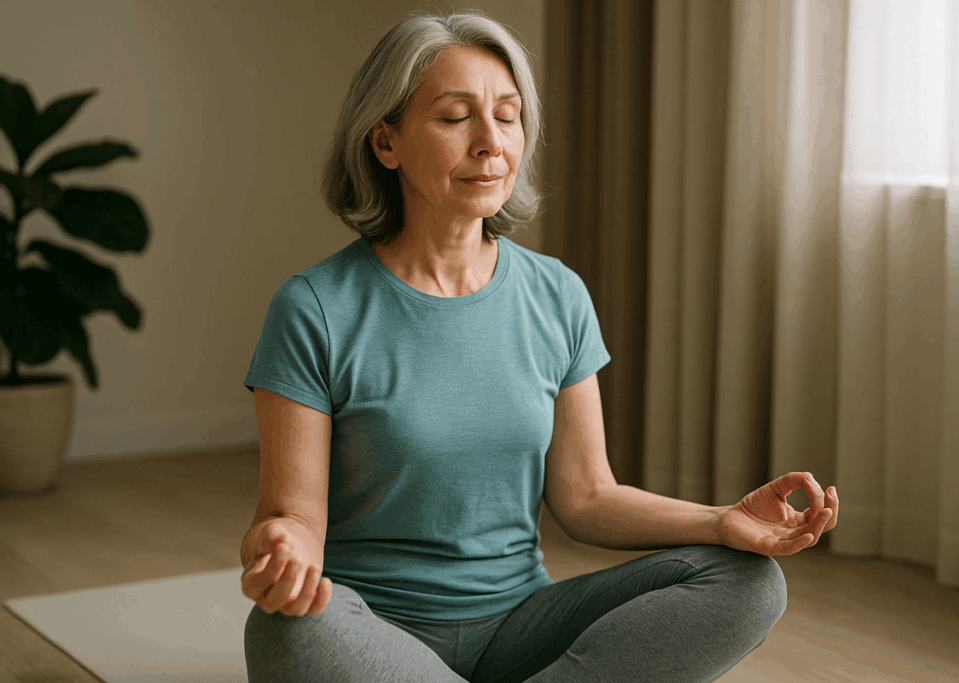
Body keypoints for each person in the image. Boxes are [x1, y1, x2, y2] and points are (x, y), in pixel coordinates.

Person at [239, 9, 840, 683]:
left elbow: (585, 494)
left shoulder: (556, 294)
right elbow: (292, 518)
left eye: (508, 114)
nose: (491, 142)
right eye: (454, 117)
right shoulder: (315, 307)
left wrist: (722, 520)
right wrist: (282, 547)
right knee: (287, 629)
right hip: (372, 630)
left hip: (522, 628)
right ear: (386, 143)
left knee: (751, 582)